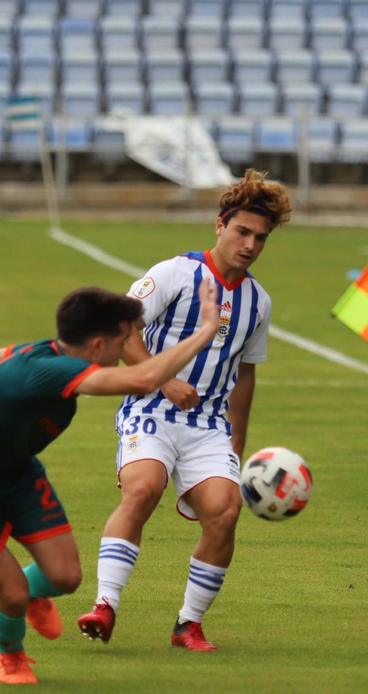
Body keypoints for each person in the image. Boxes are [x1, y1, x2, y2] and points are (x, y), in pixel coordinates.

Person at [0, 283, 221, 685]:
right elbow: (145, 379)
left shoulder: (48, 351)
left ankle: (26, 596)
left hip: (12, 468)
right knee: (12, 594)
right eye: (123, 341)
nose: (126, 350)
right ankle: (8, 651)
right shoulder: (56, 372)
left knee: (66, 577)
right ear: (97, 345)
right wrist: (206, 330)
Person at [77, 170, 289, 653]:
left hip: (209, 426)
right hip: (150, 409)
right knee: (143, 489)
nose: (250, 245)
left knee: (225, 511)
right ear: (220, 225)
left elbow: (246, 374)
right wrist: (163, 380)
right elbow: (123, 330)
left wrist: (237, 441)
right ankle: (105, 604)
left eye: (260, 238)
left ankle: (188, 624)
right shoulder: (175, 273)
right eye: (242, 232)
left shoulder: (258, 302)